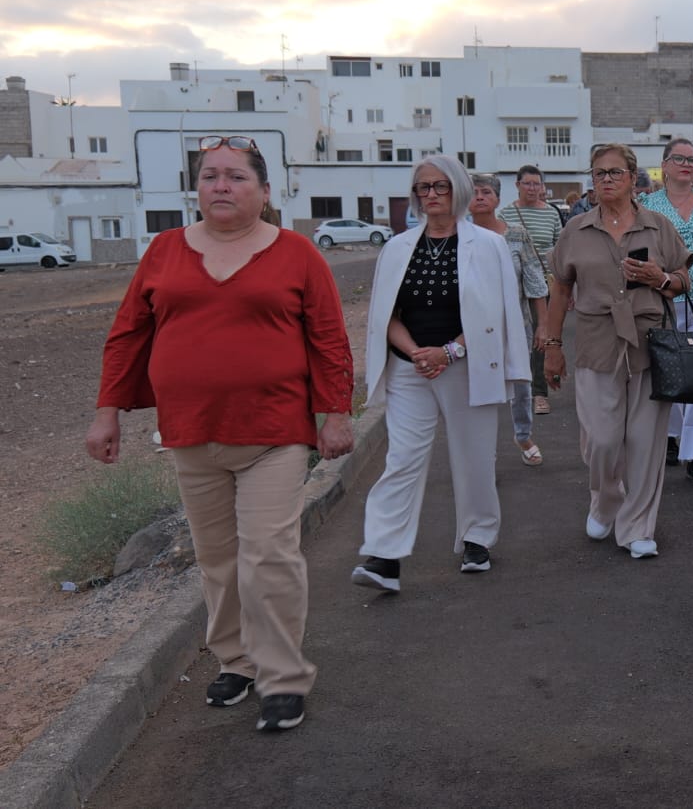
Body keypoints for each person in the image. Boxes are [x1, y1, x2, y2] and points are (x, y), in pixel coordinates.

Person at [88, 135, 353, 733]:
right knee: (218, 559)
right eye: (211, 177)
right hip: (190, 432)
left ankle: (283, 677)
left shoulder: (296, 254)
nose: (222, 187)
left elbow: (328, 338)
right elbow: (128, 333)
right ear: (197, 188)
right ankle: (236, 660)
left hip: (273, 433)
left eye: (236, 177)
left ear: (263, 190)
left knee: (269, 555)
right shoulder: (164, 250)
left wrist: (335, 413)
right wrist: (107, 411)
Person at [352, 155, 529, 592]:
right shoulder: (396, 248)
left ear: (459, 191)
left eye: (440, 186)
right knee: (402, 459)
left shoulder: (488, 246)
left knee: (473, 458)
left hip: (468, 364)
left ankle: (476, 538)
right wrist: (416, 353)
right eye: (423, 188)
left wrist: (448, 351)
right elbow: (384, 316)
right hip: (411, 366)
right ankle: (384, 556)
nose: (430, 195)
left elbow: (500, 315)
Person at [542, 144, 692, 559]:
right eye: (598, 173)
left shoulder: (658, 226)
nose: (606, 180)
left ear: (632, 178)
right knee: (603, 440)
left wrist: (660, 278)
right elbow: (560, 288)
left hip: (650, 343)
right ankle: (606, 500)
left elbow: (684, 280)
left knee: (645, 442)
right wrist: (552, 346)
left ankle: (637, 526)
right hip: (596, 342)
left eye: (614, 172)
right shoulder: (576, 229)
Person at [639, 138, 693, 486]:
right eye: (680, 159)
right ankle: (672, 437)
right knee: (672, 368)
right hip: (666, 300)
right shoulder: (648, 203)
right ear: (664, 165)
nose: (687, 165)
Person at [469, 173, 550, 467]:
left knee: (521, 384)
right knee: (479, 387)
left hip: (516, 324)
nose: (479, 197)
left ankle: (523, 435)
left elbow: (534, 281)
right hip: (471, 330)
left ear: (497, 199)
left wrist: (542, 325)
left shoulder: (515, 235)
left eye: (486, 192)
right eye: (474, 192)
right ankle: (483, 450)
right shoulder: (457, 237)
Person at [498, 165, 562, 415]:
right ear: (517, 185)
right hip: (515, 288)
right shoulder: (506, 214)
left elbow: (558, 249)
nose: (533, 188)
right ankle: (514, 386)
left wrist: (564, 287)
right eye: (527, 184)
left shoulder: (552, 214)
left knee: (541, 337)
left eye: (537, 184)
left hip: (544, 286)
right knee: (515, 337)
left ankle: (539, 393)